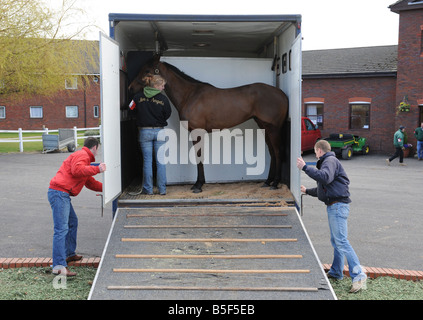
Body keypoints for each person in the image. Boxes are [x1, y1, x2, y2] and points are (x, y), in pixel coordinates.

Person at [296, 140, 367, 293]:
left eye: (315, 152)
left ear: (319, 150)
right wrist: (307, 190)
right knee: (337, 241)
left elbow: (325, 177)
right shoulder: (329, 161)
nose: (315, 155)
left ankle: (359, 275)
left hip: (337, 207)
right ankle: (336, 272)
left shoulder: (329, 161)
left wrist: (305, 168)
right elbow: (325, 188)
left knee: (341, 241)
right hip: (336, 206)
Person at [48, 137, 106, 277]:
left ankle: (69, 254)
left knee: (72, 222)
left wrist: (109, 188)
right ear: (95, 147)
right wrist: (97, 168)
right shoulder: (82, 155)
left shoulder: (84, 159)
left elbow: (90, 182)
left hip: (62, 194)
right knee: (61, 230)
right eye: (99, 148)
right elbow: (77, 170)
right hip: (59, 193)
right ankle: (59, 266)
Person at [129, 74, 172, 195]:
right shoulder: (163, 99)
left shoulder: (137, 97)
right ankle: (162, 189)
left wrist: (139, 116)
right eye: (162, 85)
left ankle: (148, 189)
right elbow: (168, 112)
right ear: (157, 85)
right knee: (160, 161)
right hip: (159, 131)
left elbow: (130, 108)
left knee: (147, 161)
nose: (163, 88)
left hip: (144, 131)